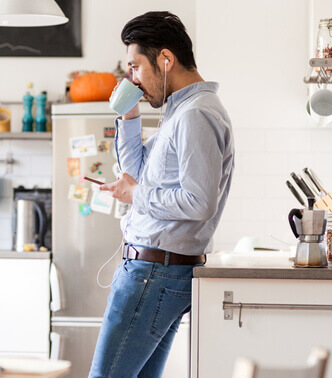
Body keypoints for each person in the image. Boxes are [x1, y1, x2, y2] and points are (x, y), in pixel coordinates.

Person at [89, 11, 235, 377]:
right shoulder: (181, 112)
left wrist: (136, 196)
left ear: (166, 60)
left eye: (135, 67)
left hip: (152, 273)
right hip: (154, 271)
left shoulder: (195, 116)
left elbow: (199, 202)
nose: (133, 79)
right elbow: (134, 172)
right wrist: (129, 115)